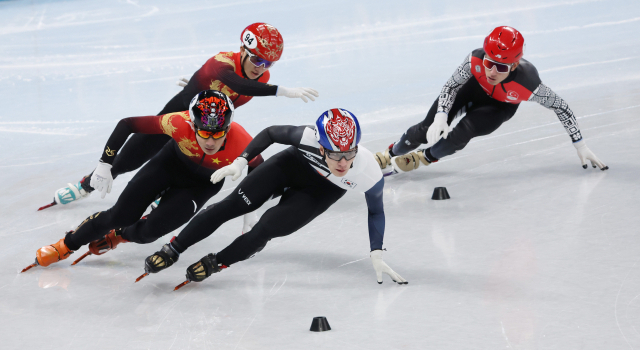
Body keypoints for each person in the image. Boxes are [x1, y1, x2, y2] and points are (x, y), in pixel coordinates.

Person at [49, 22, 319, 207]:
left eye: (269, 63)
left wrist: (196, 86)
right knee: (129, 160)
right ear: (243, 51)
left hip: (205, 130)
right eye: (258, 60)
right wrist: (282, 91)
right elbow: (237, 84)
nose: (262, 69)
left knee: (211, 165)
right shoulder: (222, 62)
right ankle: (87, 184)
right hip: (175, 117)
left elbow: (234, 95)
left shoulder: (261, 75)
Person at [139, 108, 407, 288]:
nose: (343, 162)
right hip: (292, 165)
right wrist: (241, 161)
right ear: (320, 144)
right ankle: (172, 250)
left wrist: (376, 250)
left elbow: (376, 211)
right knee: (232, 205)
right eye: (335, 154)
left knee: (266, 228)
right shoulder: (307, 137)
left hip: (320, 192)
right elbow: (269, 133)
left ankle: (217, 262)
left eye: (349, 154)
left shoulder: (368, 172)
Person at [22, 90, 262, 272]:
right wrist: (105, 164)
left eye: (218, 134)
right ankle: (66, 244)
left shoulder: (242, 141)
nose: (210, 142)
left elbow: (260, 172)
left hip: (201, 185)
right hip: (169, 165)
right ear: (192, 123)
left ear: (228, 127)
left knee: (149, 233)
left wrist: (250, 211)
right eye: (203, 132)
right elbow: (127, 124)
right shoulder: (178, 122)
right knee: (120, 215)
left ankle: (119, 236)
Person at [375, 26, 608, 175]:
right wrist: (441, 115)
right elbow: (452, 85)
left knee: (462, 132)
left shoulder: (529, 84)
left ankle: (420, 159)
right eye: (489, 62)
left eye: (501, 67)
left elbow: (562, 107)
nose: (492, 72)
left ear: (515, 65)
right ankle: (390, 154)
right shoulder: (474, 59)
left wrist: (581, 145)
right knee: (426, 129)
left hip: (498, 106)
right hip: (470, 90)